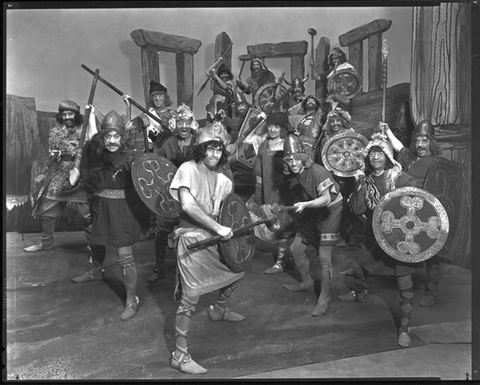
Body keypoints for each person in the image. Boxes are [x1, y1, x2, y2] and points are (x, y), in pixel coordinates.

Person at [168, 122, 244, 374]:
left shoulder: (222, 179)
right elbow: (188, 206)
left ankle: (219, 310)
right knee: (190, 298)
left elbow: (228, 211)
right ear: (201, 149)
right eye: (210, 148)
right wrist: (219, 228)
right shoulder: (187, 169)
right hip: (190, 239)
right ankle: (180, 355)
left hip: (213, 237)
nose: (214, 154)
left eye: (219, 150)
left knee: (236, 273)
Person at [71, 107, 148, 321]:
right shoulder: (96, 154)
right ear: (102, 137)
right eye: (108, 136)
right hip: (101, 206)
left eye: (116, 136)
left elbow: (146, 183)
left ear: (123, 137)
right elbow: (86, 171)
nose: (112, 140)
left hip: (124, 211)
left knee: (124, 256)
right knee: (96, 241)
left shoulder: (132, 158)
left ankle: (132, 300)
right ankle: (96, 271)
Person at [347, 131, 418, 347]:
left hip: (399, 237)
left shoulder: (399, 177)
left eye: (380, 153)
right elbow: (358, 209)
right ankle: (360, 292)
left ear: (388, 155)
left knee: (404, 282)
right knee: (358, 266)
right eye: (372, 154)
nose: (376, 157)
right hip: (373, 235)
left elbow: (416, 201)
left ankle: (405, 329)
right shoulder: (365, 180)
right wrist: (359, 184)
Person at [279, 134, 343, 316]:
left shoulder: (318, 172)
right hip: (312, 208)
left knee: (324, 258)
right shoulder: (293, 175)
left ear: (303, 157)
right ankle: (307, 283)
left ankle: (325, 296)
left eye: (296, 158)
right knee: (296, 249)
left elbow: (326, 198)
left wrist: (305, 205)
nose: (293, 163)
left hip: (331, 209)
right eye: (289, 159)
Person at [385, 120, 445, 307]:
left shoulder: (439, 163)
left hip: (428, 213)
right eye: (417, 140)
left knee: (432, 253)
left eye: (424, 141)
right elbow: (400, 148)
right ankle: (406, 286)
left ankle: (433, 293)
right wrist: (387, 131)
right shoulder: (411, 159)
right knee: (407, 247)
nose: (420, 145)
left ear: (431, 143)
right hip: (408, 211)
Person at [25, 100, 96, 252]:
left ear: (76, 115)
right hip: (60, 174)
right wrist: (45, 170)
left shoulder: (84, 130)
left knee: (88, 214)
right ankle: (45, 243)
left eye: (70, 114)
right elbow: (54, 154)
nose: (66, 117)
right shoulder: (56, 133)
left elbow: (95, 140)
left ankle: (93, 245)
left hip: (81, 174)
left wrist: (91, 117)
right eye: (63, 115)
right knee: (47, 211)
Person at [147, 104, 198, 284]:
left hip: (195, 197)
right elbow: (157, 164)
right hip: (171, 196)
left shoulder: (199, 142)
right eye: (180, 122)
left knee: (194, 233)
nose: (184, 126)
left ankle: (194, 269)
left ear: (192, 123)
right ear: (175, 123)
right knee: (161, 231)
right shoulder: (169, 143)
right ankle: (159, 268)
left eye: (187, 122)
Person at [245, 112, 293, 274]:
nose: (272, 130)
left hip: (280, 190)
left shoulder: (288, 143)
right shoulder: (264, 142)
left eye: (277, 126)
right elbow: (254, 158)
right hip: (262, 188)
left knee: (281, 224)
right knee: (251, 215)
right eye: (270, 126)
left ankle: (281, 262)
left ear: (283, 128)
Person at [125, 80, 174, 150]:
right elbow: (127, 127)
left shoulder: (174, 115)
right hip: (151, 153)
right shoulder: (146, 115)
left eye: (160, 95)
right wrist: (128, 106)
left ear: (166, 97)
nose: (157, 98)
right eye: (154, 96)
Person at [310, 46, 355, 114]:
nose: (334, 61)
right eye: (333, 59)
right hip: (332, 98)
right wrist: (312, 66)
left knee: (344, 118)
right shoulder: (331, 71)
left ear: (341, 57)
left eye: (336, 58)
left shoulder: (348, 68)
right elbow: (318, 78)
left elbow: (353, 83)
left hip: (344, 99)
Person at [288, 94, 326, 160]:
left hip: (313, 145)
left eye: (313, 101)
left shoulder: (320, 116)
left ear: (317, 105)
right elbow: (289, 111)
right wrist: (301, 103)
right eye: (308, 101)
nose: (310, 102)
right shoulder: (298, 118)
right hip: (299, 145)